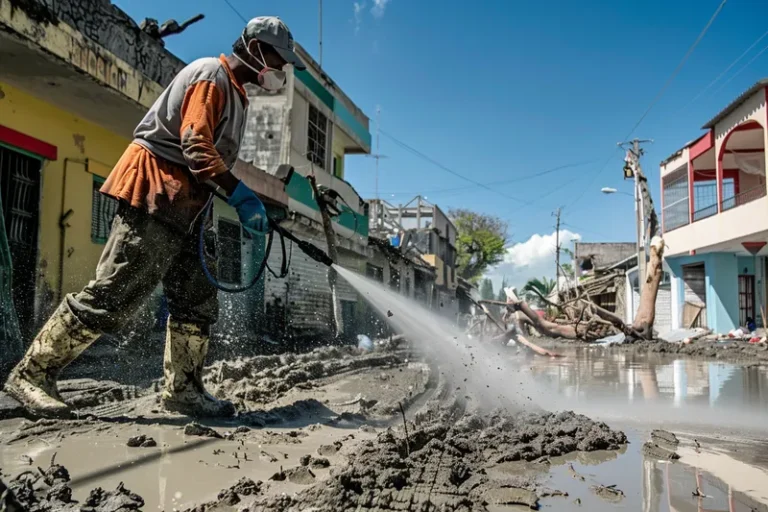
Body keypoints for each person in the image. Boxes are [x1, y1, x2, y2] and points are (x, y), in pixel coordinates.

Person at [3, 17, 305, 418]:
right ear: (254, 48)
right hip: (155, 191)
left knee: (196, 300)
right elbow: (195, 145)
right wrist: (240, 193)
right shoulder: (211, 76)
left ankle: (183, 389)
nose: (281, 69)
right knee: (114, 291)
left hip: (189, 206)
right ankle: (33, 374)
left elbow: (205, 157)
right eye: (277, 59)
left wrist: (233, 199)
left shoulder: (237, 95)